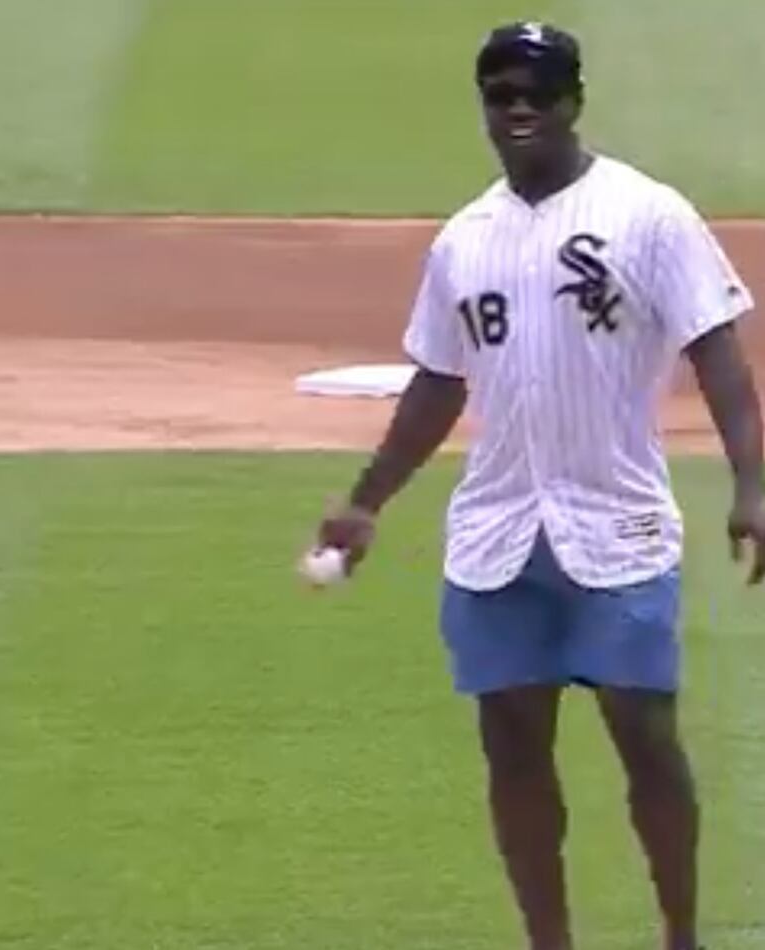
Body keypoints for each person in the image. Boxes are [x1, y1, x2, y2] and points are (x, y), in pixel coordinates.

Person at [311, 21, 764, 950]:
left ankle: (681, 934)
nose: (518, 108)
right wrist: (367, 500)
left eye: (537, 92)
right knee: (513, 752)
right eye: (500, 93)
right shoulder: (463, 240)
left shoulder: (648, 215)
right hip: (498, 532)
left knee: (645, 739)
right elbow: (438, 382)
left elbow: (715, 351)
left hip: (619, 526)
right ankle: (547, 941)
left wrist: (752, 483)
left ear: (573, 100)